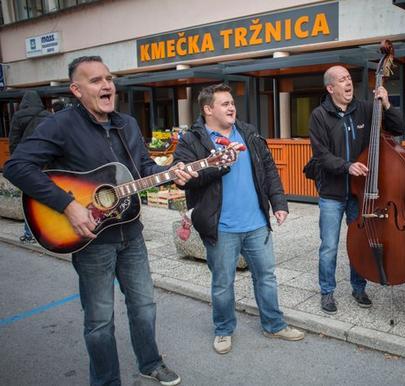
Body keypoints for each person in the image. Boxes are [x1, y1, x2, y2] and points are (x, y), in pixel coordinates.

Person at [4, 56, 194, 386]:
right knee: (99, 320)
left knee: (145, 306)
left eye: (109, 78)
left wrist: (171, 174)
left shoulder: (127, 124)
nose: (106, 85)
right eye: (95, 81)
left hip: (131, 233)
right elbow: (17, 167)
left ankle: (149, 362)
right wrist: (68, 205)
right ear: (76, 90)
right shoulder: (59, 125)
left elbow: (143, 171)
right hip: (90, 239)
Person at [173, 83, 304, 355]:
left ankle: (274, 324)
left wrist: (278, 203)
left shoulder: (248, 132)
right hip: (220, 227)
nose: (231, 107)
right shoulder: (191, 141)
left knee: (266, 277)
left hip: (256, 223)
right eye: (224, 103)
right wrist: (219, 165)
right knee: (222, 283)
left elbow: (268, 169)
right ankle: (223, 329)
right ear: (208, 109)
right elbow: (185, 183)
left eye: (232, 103)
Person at [307, 65, 405, 314]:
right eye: (342, 80)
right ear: (331, 88)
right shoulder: (319, 116)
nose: (348, 83)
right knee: (329, 246)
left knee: (359, 243)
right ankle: (327, 292)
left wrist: (386, 105)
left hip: (360, 193)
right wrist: (347, 167)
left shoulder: (364, 109)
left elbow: (398, 128)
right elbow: (321, 156)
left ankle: (358, 288)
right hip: (331, 193)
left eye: (349, 78)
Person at [8, 90, 51, 243]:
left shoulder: (18, 116)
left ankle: (29, 234)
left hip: (27, 164)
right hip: (47, 164)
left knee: (29, 199)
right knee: (48, 196)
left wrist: (17, 163)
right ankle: (48, 232)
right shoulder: (48, 116)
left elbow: (13, 142)